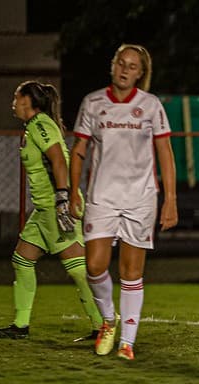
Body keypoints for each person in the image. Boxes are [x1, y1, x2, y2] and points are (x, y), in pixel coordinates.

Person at [68, 44, 178, 360]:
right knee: (94, 265)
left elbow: (165, 154)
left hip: (140, 199)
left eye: (132, 66)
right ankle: (107, 320)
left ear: (140, 74)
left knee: (131, 272)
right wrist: (74, 189)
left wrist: (170, 199)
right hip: (102, 197)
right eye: (121, 63)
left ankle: (127, 342)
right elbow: (79, 150)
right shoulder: (93, 103)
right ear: (113, 65)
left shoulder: (151, 105)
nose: (124, 69)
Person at [0, 81, 104, 340]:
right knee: (22, 260)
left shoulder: (40, 125)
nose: (13, 102)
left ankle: (102, 324)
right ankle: (20, 326)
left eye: (17, 97)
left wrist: (63, 200)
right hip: (43, 209)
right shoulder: (33, 127)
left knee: (77, 270)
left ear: (28, 100)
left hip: (54, 205)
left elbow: (59, 160)